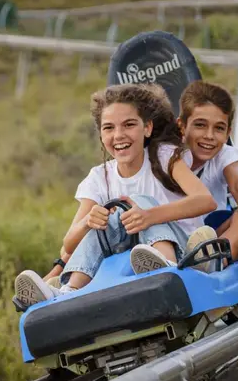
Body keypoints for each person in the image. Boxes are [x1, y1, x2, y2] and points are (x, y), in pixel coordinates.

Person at [14, 83, 217, 308]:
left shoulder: (165, 157)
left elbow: (205, 201)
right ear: (101, 135)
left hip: (181, 249)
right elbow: (69, 244)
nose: (119, 135)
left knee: (139, 202)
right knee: (102, 221)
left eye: (129, 124)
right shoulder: (99, 177)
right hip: (128, 259)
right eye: (109, 128)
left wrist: (149, 215)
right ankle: (69, 291)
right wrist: (88, 221)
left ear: (147, 128)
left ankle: (166, 265)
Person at [175, 80, 238, 272]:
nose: (209, 135)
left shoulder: (224, 155)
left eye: (219, 128)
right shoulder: (169, 154)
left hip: (214, 235)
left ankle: (214, 261)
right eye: (200, 125)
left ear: (228, 132)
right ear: (182, 126)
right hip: (175, 232)